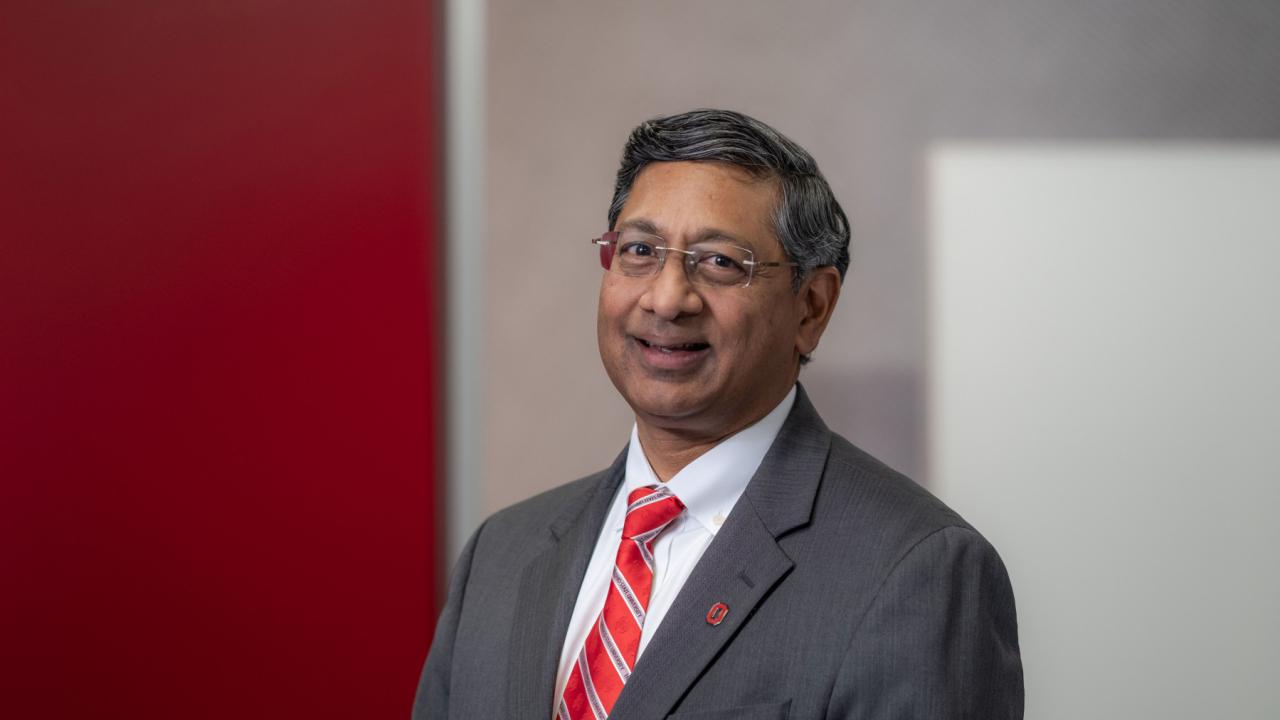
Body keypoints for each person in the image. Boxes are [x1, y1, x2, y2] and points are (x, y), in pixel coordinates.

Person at [413, 109, 1023, 719]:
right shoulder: (502, 554)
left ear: (812, 307)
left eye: (721, 262)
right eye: (640, 250)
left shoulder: (919, 572)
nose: (667, 298)